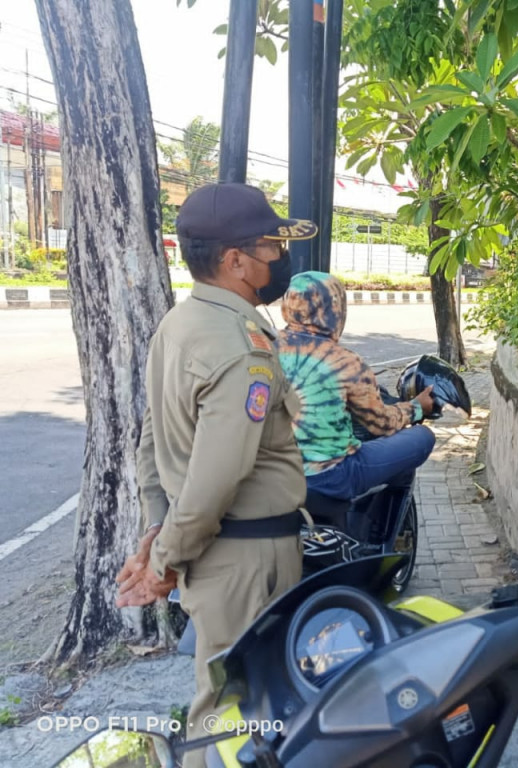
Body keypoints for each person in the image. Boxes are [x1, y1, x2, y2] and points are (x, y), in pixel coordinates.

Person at [114, 182, 316, 768]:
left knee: (228, 698)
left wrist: (157, 531)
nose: (279, 259)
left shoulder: (181, 324)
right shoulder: (241, 347)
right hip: (245, 558)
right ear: (235, 261)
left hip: (219, 552)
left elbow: (153, 442)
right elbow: (216, 478)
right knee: (236, 709)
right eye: (271, 248)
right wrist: (162, 564)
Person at [275, 271, 435, 535]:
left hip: (273, 476)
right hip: (330, 478)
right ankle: (381, 537)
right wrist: (417, 407)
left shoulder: (262, 348)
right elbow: (381, 424)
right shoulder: (346, 362)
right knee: (422, 437)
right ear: (336, 309)